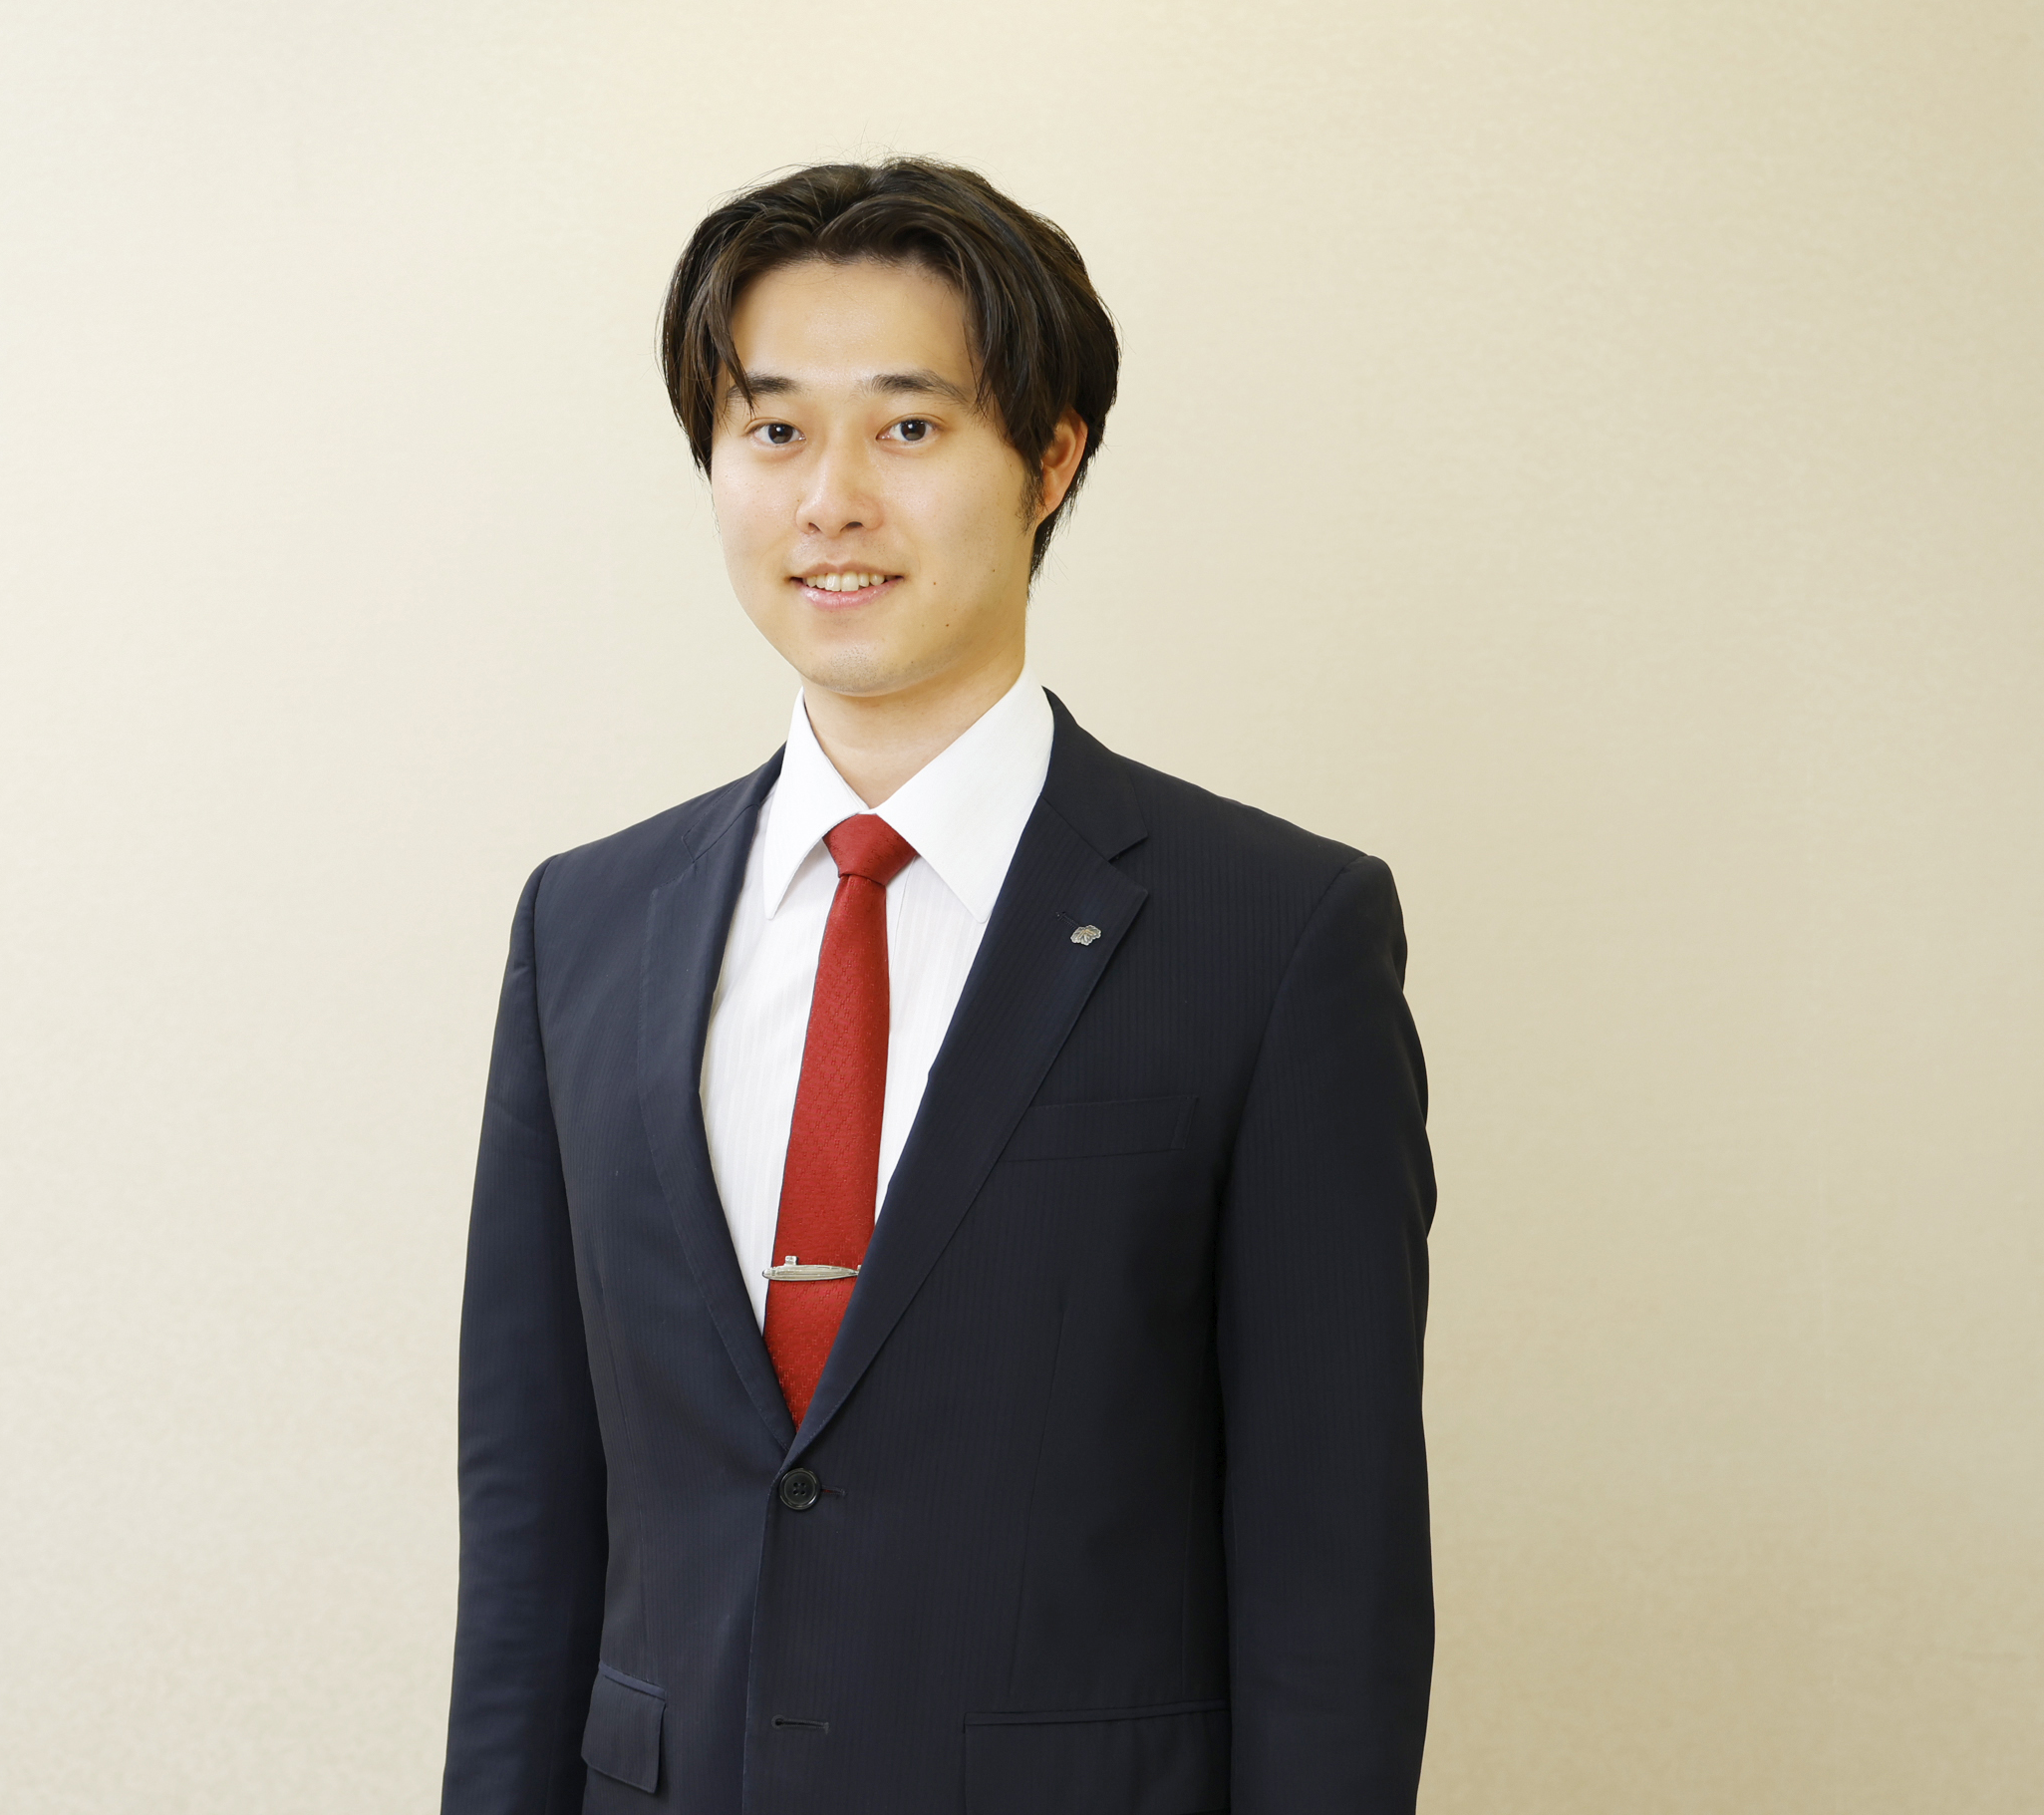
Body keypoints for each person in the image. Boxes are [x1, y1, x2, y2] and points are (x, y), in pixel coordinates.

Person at [442, 159, 1435, 1815]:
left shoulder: (1273, 935)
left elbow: (1333, 1573)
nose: (830, 500)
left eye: (908, 428)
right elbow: (531, 1520)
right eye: (773, 430)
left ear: (1050, 460)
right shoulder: (589, 926)